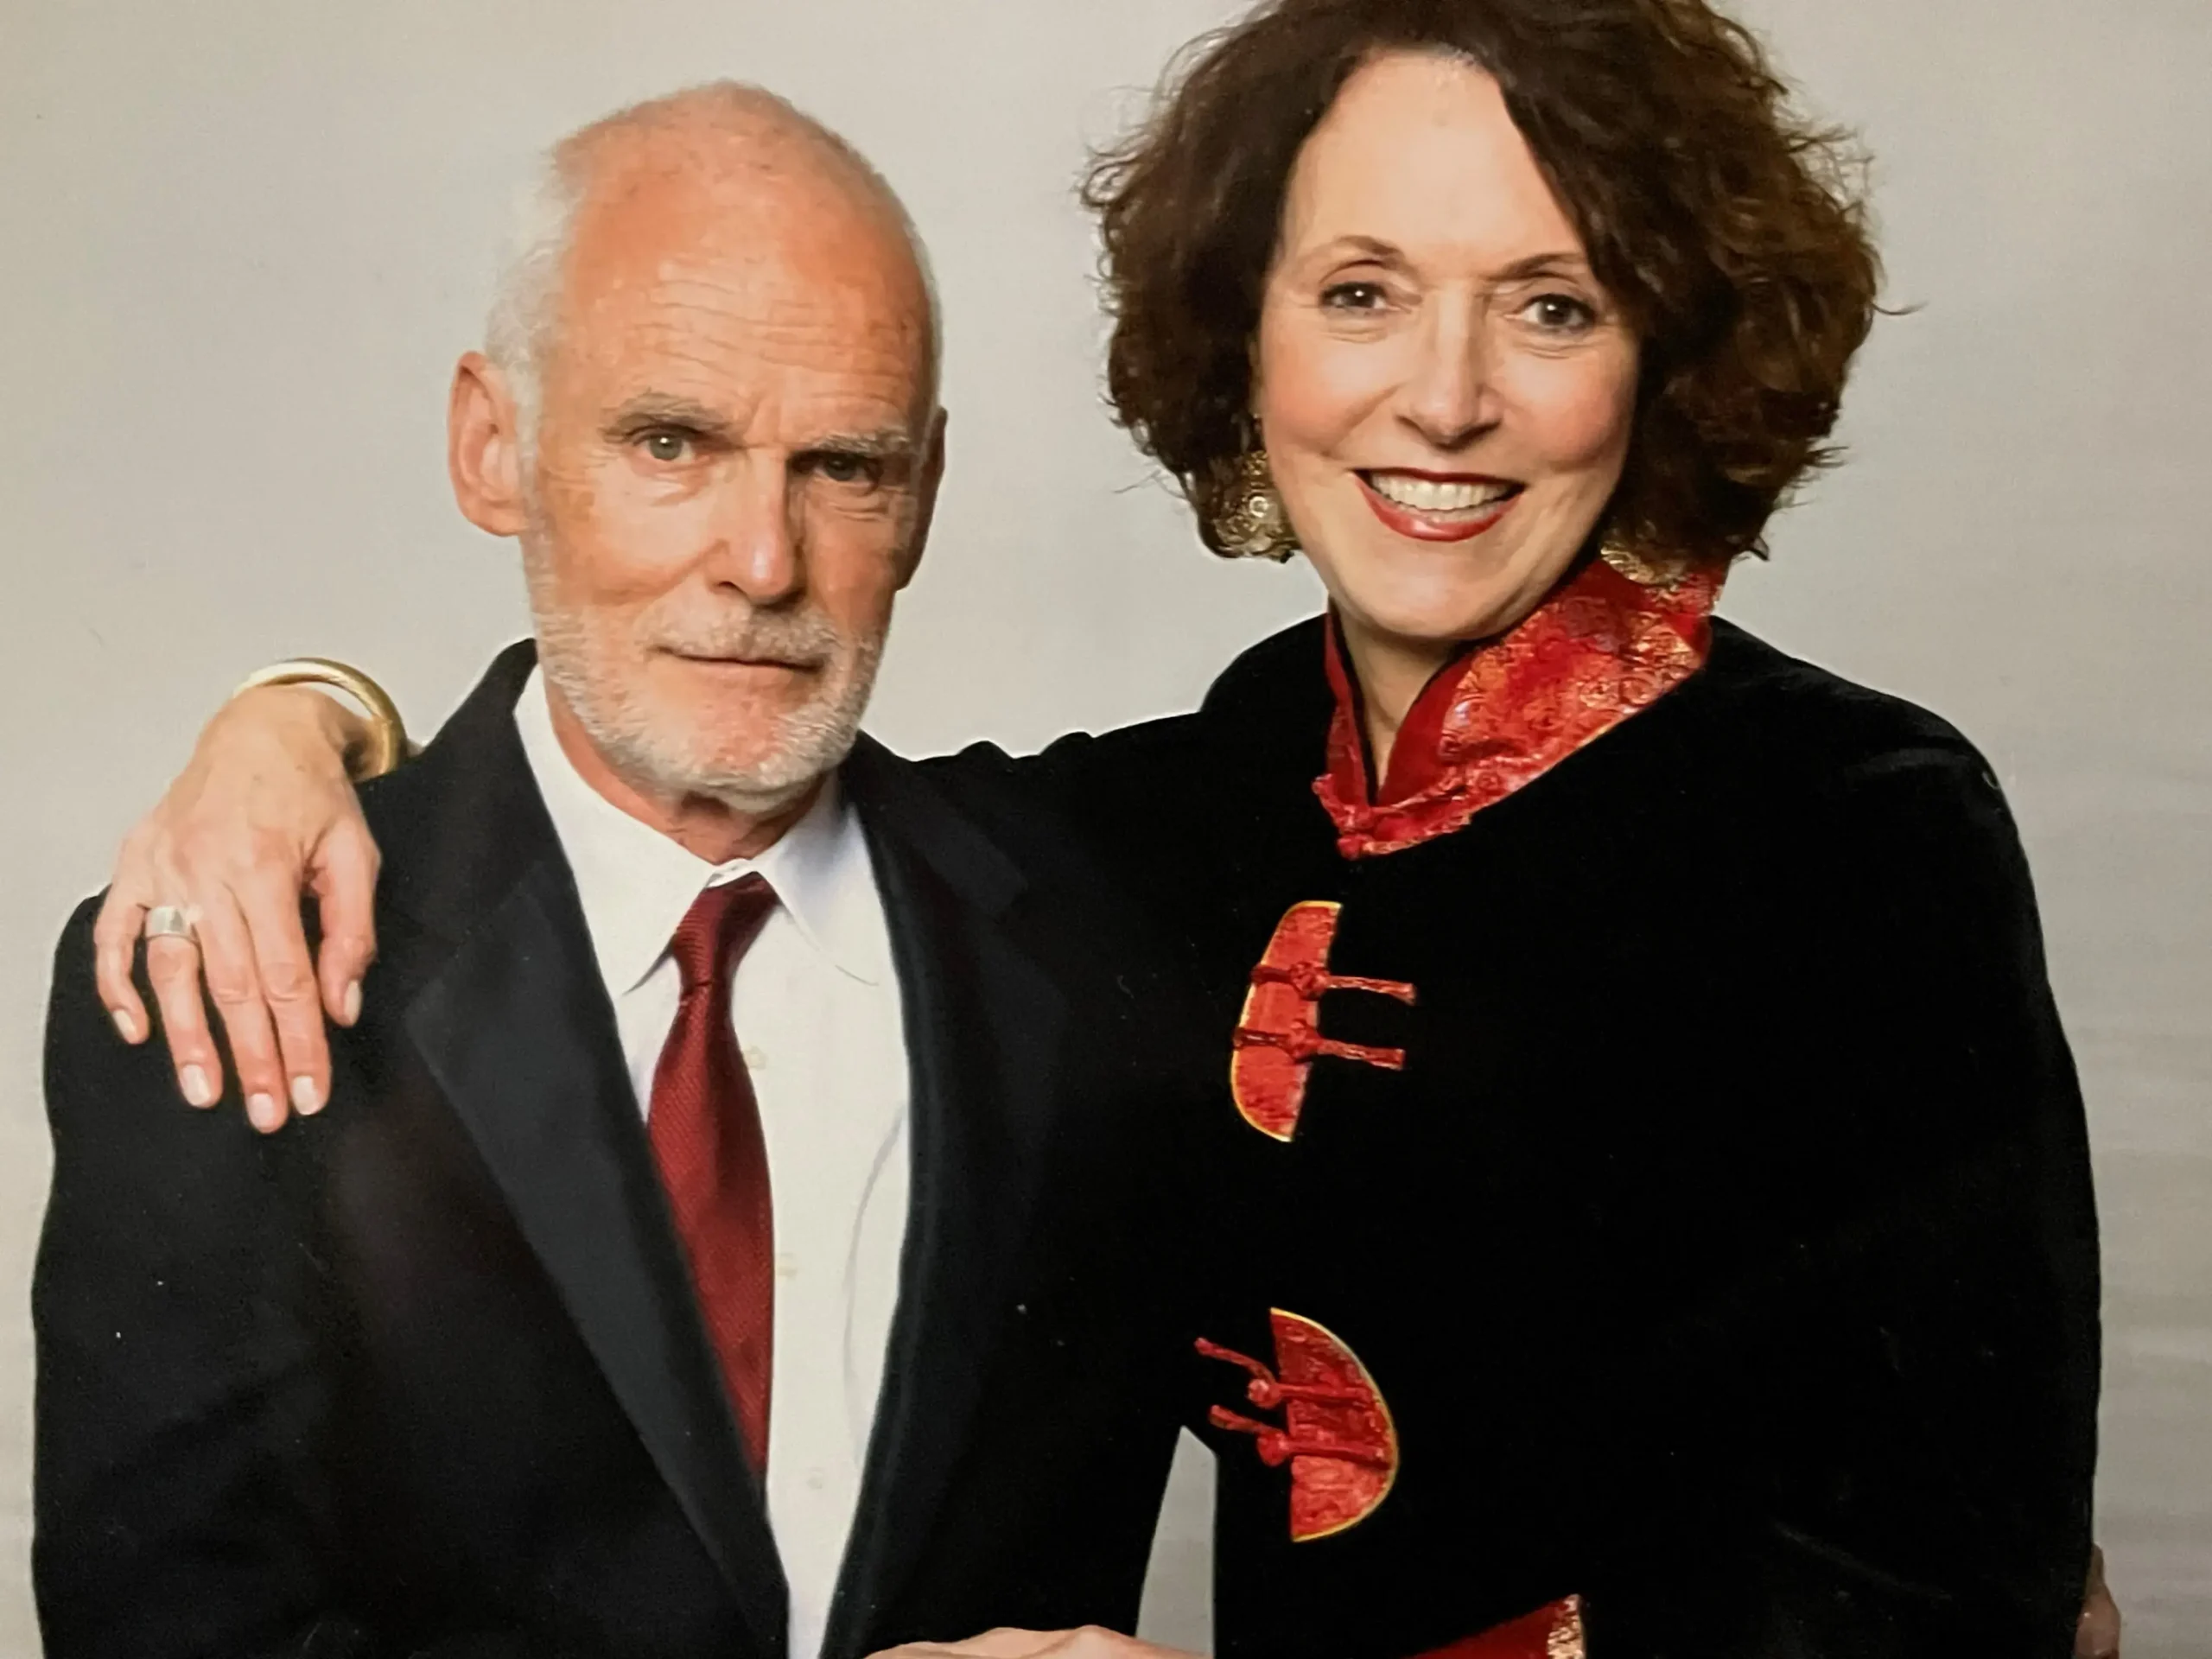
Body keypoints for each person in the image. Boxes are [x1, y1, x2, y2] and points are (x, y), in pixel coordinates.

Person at [79, 1, 2112, 1656]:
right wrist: (300, 725)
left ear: (1662, 347)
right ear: (1248, 334)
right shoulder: (1180, 815)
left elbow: (1957, 1584)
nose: (1442, 398)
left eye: (1552, 307)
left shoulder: (1856, 829)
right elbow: (691, 781)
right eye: (1360, 291)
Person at [35, 84, 1214, 1659]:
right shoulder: (239, 955)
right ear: (492, 448)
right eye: (673, 442)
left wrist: (308, 705)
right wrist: (297, 712)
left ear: (924, 494)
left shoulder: (1102, 904)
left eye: (844, 466)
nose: (764, 562)